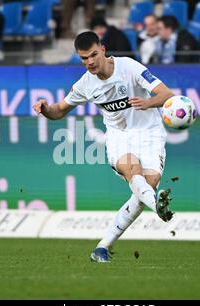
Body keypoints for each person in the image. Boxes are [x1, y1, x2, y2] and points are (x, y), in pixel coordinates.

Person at [33, 31, 175, 263]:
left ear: (103, 49)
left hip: (150, 134)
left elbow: (166, 94)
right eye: (83, 58)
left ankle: (103, 246)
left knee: (143, 190)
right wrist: (45, 109)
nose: (89, 62)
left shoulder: (129, 67)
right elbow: (59, 110)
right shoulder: (85, 85)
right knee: (133, 171)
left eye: (93, 55)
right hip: (119, 137)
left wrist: (148, 102)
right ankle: (159, 206)